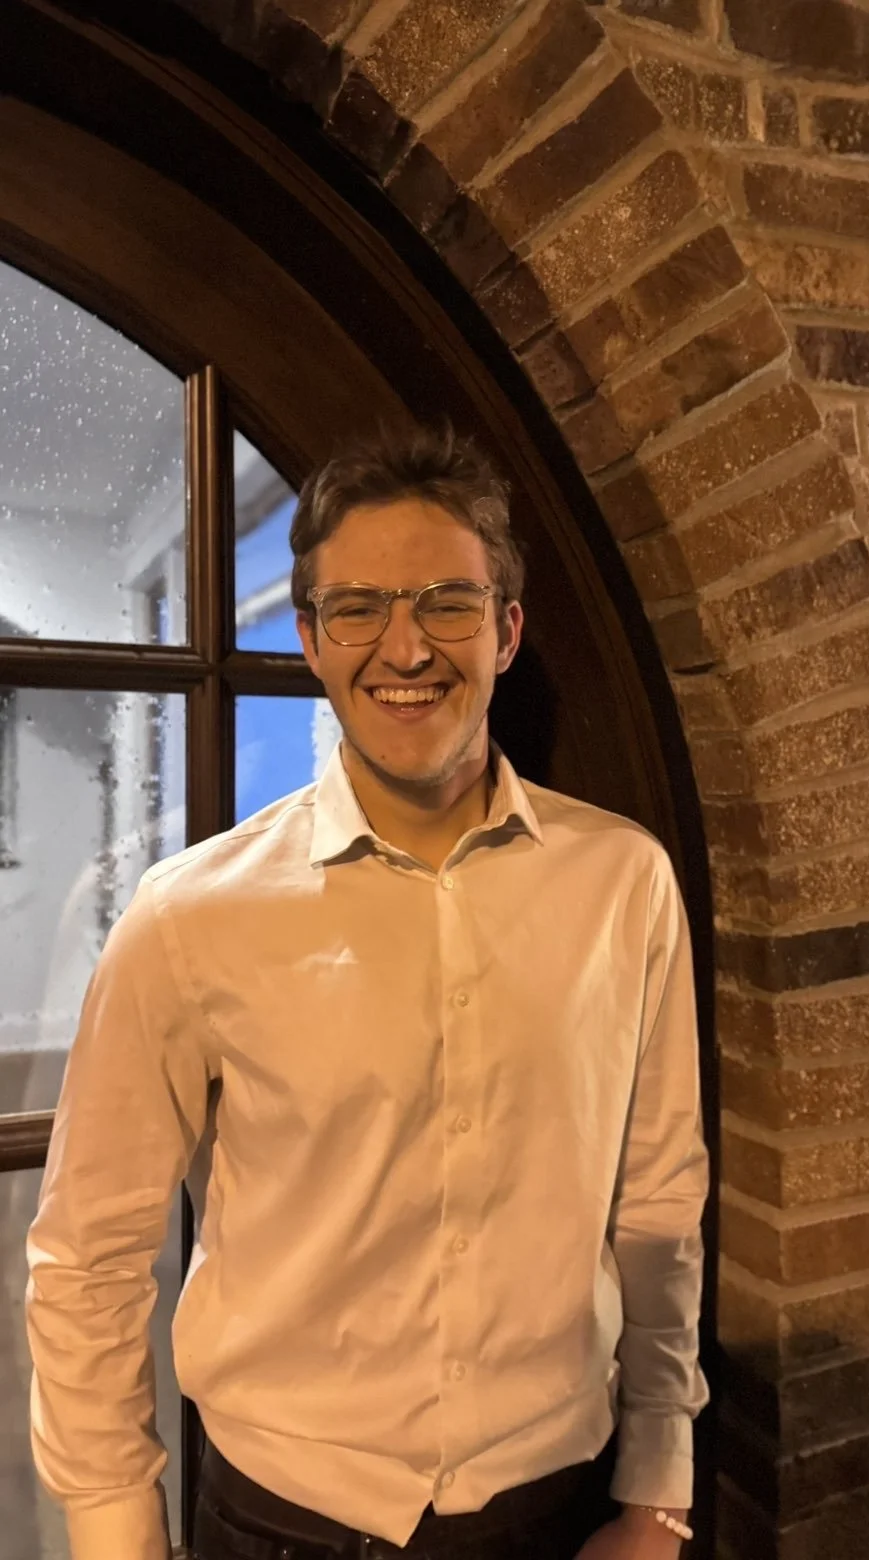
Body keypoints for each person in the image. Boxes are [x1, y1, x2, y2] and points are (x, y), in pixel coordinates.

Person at [26, 424, 709, 1560]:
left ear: (505, 630)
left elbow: (655, 1203)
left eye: (447, 601)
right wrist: (113, 1535)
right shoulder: (190, 915)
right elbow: (90, 1255)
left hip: (559, 1509)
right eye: (357, 608)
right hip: (279, 1525)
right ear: (307, 638)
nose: (405, 646)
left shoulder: (622, 882)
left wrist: (656, 1492)